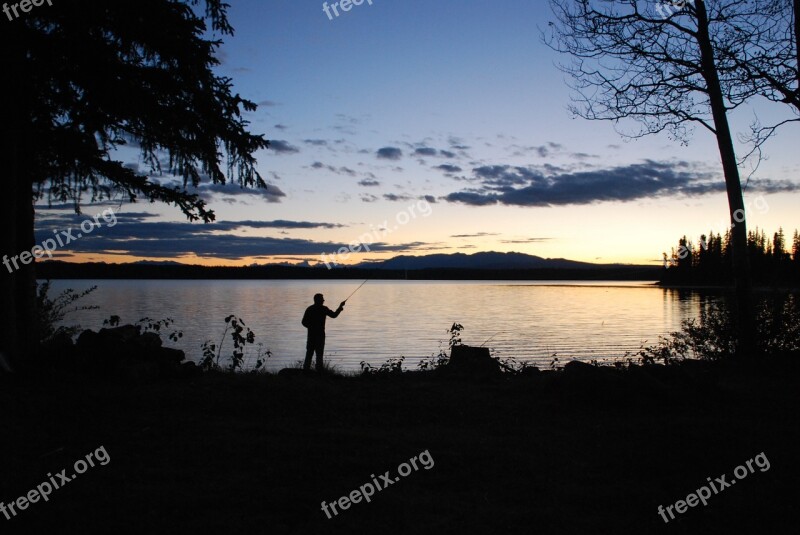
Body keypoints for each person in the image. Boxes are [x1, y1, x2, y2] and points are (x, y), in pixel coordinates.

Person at [301, 293, 345, 372]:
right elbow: (334, 315)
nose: (323, 300)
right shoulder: (323, 309)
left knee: (309, 355)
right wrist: (340, 307)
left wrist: (311, 327)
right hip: (320, 336)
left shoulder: (310, 309)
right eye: (322, 299)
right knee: (319, 356)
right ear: (318, 300)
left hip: (311, 336)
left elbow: (303, 322)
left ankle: (306, 372)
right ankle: (319, 373)